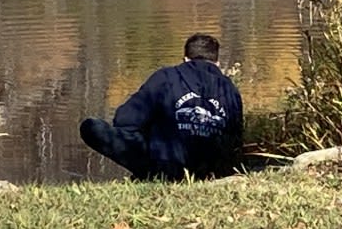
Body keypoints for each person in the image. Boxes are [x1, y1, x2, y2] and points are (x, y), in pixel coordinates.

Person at [80, 33, 243, 181]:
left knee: (92, 127)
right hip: (214, 170)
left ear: (185, 58)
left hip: (168, 168)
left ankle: (150, 174)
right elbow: (235, 138)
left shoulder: (166, 77)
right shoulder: (230, 90)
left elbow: (124, 120)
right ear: (217, 62)